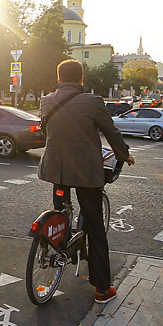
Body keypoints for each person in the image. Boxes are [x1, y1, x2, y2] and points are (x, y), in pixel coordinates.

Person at [39, 59, 135, 305]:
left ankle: (58, 248)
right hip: (85, 172)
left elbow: (44, 130)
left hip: (56, 169)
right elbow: (111, 132)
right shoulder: (92, 102)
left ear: (59, 77)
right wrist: (124, 154)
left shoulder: (47, 100)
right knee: (95, 226)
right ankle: (102, 289)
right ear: (81, 79)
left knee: (59, 213)